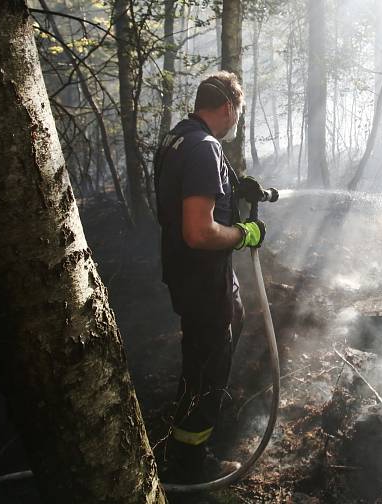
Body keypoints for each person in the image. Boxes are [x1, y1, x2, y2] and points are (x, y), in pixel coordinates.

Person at [154, 70, 267, 483]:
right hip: (203, 279)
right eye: (238, 112)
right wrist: (243, 234)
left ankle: (188, 436)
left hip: (188, 274)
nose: (237, 120)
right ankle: (191, 465)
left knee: (214, 345)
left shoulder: (177, 138)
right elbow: (199, 231)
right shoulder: (204, 148)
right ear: (226, 108)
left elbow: (192, 198)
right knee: (206, 369)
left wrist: (237, 192)